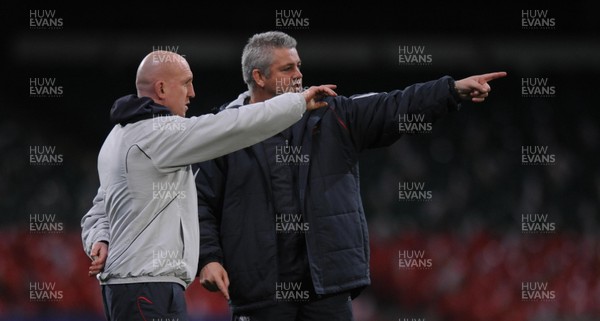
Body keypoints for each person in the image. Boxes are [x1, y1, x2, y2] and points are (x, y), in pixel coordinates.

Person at [192, 31, 507, 321]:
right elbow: (200, 203)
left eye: (299, 65)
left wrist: (450, 90)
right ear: (258, 77)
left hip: (326, 290)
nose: (299, 74)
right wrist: (208, 258)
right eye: (287, 68)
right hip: (260, 293)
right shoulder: (224, 131)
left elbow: (394, 105)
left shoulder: (332, 115)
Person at [80, 49, 337, 321]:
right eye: (186, 82)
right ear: (162, 88)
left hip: (136, 286)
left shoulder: (118, 137)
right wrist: (296, 103)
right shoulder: (158, 134)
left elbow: (100, 207)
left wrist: (99, 238)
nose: (192, 93)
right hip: (147, 286)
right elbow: (232, 126)